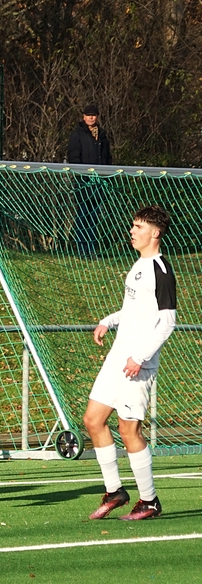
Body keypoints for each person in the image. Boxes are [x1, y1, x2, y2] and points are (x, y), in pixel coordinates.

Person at [84, 205, 175, 521]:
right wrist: (108, 321)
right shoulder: (139, 265)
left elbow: (167, 322)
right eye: (133, 225)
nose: (132, 231)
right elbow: (135, 311)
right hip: (117, 358)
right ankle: (115, 492)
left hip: (137, 364)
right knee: (93, 420)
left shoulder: (161, 270)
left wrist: (140, 357)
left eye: (139, 227)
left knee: (128, 429)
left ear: (155, 232)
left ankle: (149, 501)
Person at [67, 104, 111, 258]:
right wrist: (82, 175)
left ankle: (91, 249)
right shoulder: (77, 135)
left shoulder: (102, 136)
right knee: (83, 215)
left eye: (94, 115)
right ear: (83, 117)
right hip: (84, 182)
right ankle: (82, 249)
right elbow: (74, 157)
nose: (91, 117)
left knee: (94, 216)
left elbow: (107, 158)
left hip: (99, 182)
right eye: (88, 115)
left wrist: (106, 177)